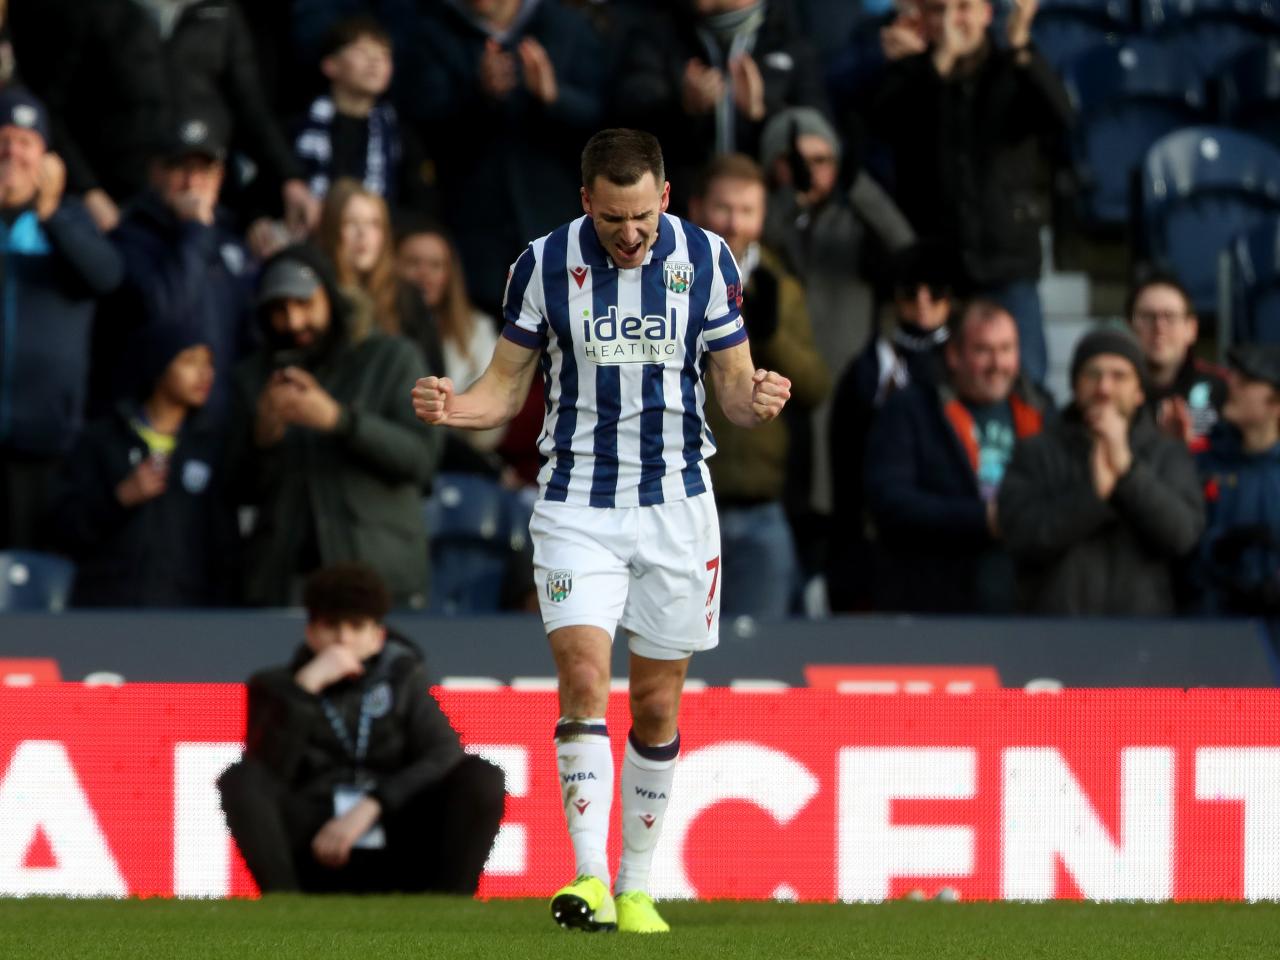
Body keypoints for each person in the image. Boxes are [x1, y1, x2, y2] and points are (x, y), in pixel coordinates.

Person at [411, 128, 792, 933]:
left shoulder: (710, 260)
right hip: (577, 505)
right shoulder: (542, 265)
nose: (631, 235)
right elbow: (504, 389)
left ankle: (637, 885)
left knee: (656, 704)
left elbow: (729, 386)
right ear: (587, 202)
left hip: (678, 507)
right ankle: (586, 879)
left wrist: (754, 401)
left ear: (665, 198)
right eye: (615, 218)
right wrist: (456, 408)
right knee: (585, 677)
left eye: (645, 218)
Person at [217, 563, 505, 894]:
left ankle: (452, 907)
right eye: (331, 626)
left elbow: (444, 753)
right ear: (311, 633)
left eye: (356, 626)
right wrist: (304, 690)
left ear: (377, 637)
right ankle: (284, 904)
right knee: (241, 779)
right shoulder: (273, 686)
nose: (343, 638)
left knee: (482, 776)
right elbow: (266, 770)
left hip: (395, 835)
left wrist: (373, 804)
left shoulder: (404, 680)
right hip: (313, 843)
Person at [869, 0, 1073, 386]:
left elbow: (1060, 116)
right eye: (937, 9)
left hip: (1007, 264)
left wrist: (1020, 46)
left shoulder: (1014, 64)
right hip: (935, 274)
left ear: (986, 14)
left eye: (963, 7)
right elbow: (884, 125)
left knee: (1024, 386)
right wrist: (939, 62)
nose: (950, 20)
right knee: (927, 391)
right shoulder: (912, 73)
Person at [226, 244, 441, 608]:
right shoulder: (251, 378)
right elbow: (235, 489)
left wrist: (339, 420)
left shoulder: (391, 358)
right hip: (282, 583)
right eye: (279, 310)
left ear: (330, 296)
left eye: (303, 303)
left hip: (381, 578)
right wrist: (262, 439)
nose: (293, 322)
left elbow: (421, 460)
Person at [398, 0, 605, 316]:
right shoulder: (434, 30)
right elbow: (423, 126)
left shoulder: (566, 27)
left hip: (557, 226)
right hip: (474, 237)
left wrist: (554, 97)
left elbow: (603, 119)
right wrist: (479, 93)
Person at [689, 153, 829, 618]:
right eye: (723, 208)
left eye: (747, 210)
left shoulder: (782, 287)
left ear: (763, 216)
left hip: (761, 510)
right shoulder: (660, 281)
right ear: (696, 208)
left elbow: (813, 386)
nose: (734, 222)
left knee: (760, 662)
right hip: (679, 503)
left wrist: (771, 338)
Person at [998, 327, 1205, 614]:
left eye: (1119, 376)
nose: (1104, 388)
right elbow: (1020, 535)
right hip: (1051, 635)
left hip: (1144, 638)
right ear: (1075, 384)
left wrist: (1127, 471)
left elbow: (1182, 536)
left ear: (1139, 392)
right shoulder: (1036, 451)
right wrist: (1093, 496)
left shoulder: (1167, 453)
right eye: (1092, 374)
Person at [864, 300, 1049, 612]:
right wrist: (982, 519)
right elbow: (890, 502)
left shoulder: (1043, 409)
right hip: (934, 604)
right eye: (983, 351)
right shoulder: (910, 410)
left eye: (1006, 349)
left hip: (1027, 603)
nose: (997, 363)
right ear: (954, 355)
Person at [0, 88, 124, 550]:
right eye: (3, 139)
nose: (12, 152)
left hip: (48, 449)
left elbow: (106, 276)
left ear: (47, 158)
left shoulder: (69, 220)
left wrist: (48, 211)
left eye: (26, 142)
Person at [47, 326, 236, 606]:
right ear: (158, 365)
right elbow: (62, 528)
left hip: (188, 617)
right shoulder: (102, 439)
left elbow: (225, 547)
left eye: (209, 363)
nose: (205, 373)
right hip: (106, 611)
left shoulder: (213, 446)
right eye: (190, 361)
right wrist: (119, 499)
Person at [99, 110, 254, 419]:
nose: (191, 182)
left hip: (215, 427)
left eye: (203, 170)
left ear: (219, 177)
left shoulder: (232, 245)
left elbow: (248, 341)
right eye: (179, 168)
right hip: (141, 422)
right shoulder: (128, 241)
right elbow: (167, 313)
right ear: (156, 173)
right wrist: (195, 231)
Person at [825, 240, 952, 611]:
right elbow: (845, 466)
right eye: (911, 291)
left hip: (955, 537)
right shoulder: (871, 367)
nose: (924, 301)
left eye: (936, 291)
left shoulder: (971, 360)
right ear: (895, 297)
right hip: (882, 540)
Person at [612, 0, 830, 213]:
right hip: (675, 213)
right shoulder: (658, 33)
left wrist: (761, 114)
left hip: (769, 220)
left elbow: (820, 134)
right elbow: (624, 120)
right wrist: (682, 106)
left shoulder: (789, 39)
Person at [294, 16, 431, 213]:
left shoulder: (399, 133)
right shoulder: (298, 125)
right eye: (362, 51)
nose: (375, 61)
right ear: (330, 65)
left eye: (384, 55)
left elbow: (420, 201)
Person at [1193, 345, 1280, 618]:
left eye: (1247, 381)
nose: (1232, 384)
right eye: (1234, 377)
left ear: (1275, 404)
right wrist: (1220, 545)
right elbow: (1183, 541)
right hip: (1215, 626)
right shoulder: (1205, 462)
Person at [316, 178, 440, 369]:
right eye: (350, 222)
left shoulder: (407, 297)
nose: (363, 234)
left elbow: (434, 373)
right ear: (331, 229)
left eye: (374, 224)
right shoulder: (316, 295)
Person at [1127, 271, 1227, 453]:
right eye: (1148, 317)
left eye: (1170, 317)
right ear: (1129, 327)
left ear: (1192, 329)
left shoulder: (1224, 388)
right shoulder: (1112, 389)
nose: (1159, 328)